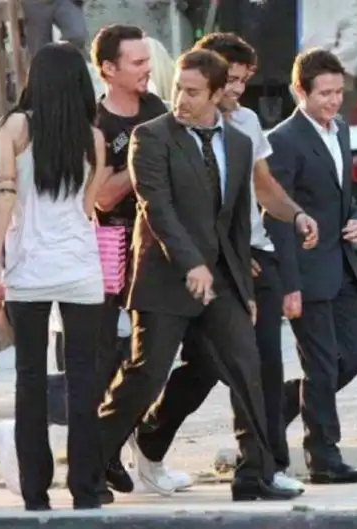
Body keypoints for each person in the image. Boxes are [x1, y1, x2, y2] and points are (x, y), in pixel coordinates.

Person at [97, 48, 304, 502]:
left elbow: (235, 222)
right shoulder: (150, 137)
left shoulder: (240, 143)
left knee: (246, 365)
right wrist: (191, 263)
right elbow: (157, 208)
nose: (181, 100)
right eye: (178, 89)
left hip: (222, 279)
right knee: (146, 374)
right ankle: (93, 463)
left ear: (216, 94)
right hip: (164, 278)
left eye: (192, 92)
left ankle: (256, 474)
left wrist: (244, 287)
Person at [0, 42, 108, 510]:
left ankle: (36, 492)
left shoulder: (15, 126)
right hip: (80, 266)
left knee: (30, 378)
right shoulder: (93, 138)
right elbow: (86, 207)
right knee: (84, 379)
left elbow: (6, 194)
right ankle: (86, 489)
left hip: (28, 266)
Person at [265, 48, 357, 484]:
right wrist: (288, 283)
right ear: (299, 91)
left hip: (343, 266)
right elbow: (276, 216)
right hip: (306, 271)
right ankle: (324, 458)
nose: (333, 101)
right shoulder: (283, 140)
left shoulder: (341, 130)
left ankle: (281, 406)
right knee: (322, 367)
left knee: (355, 357)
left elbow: (347, 198)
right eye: (324, 93)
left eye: (338, 92)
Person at [90, 24, 170, 500]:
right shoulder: (96, 123)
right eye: (136, 62)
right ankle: (103, 455)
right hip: (111, 248)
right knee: (108, 356)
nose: (146, 69)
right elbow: (101, 196)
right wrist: (140, 158)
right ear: (108, 69)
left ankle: (127, 448)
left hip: (158, 248)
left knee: (150, 357)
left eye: (147, 60)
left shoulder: (158, 109)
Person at [22, 0, 88, 58]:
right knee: (39, 53)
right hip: (34, 4)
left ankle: (64, 62)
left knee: (78, 33)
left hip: (64, 2)